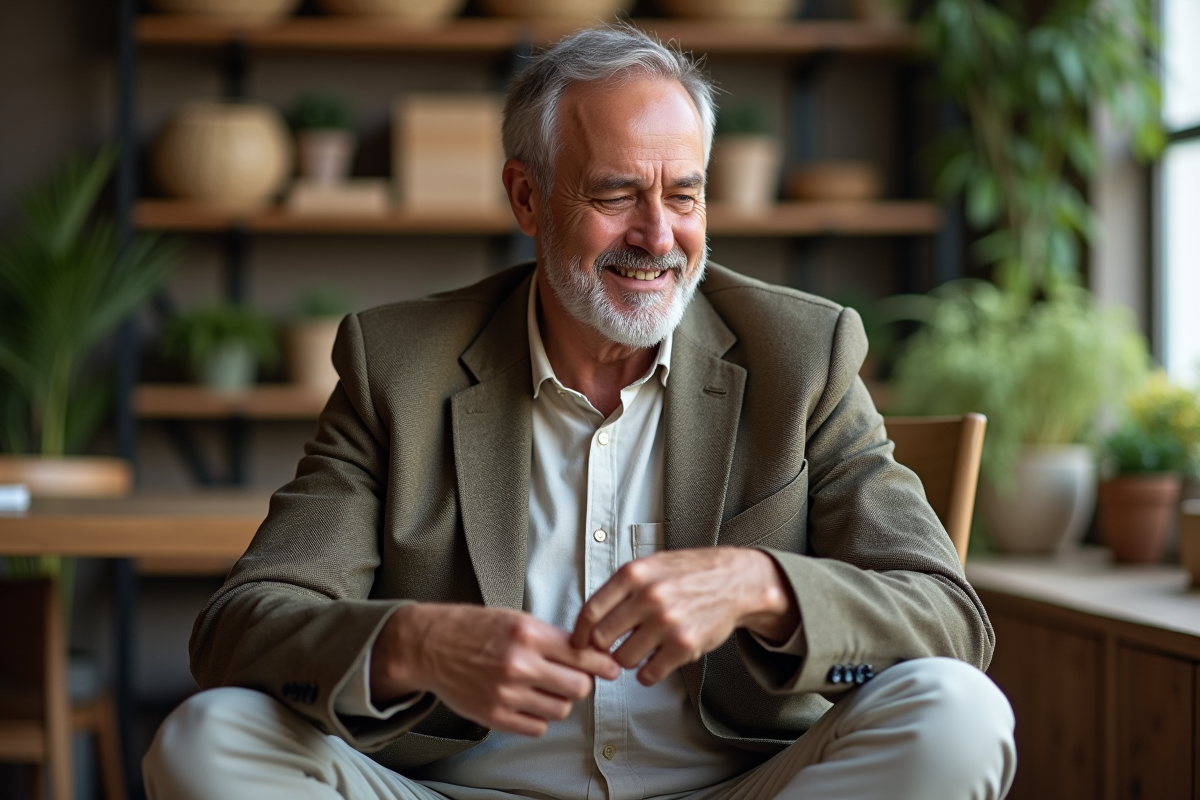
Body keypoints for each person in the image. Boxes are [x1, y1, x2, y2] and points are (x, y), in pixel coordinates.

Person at [144, 25, 1015, 800]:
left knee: (958, 714)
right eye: (614, 195)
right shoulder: (396, 367)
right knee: (206, 739)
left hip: (739, 786)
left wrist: (762, 587)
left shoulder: (803, 354)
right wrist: (415, 644)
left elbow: (946, 616)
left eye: (684, 194)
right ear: (527, 199)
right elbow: (242, 625)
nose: (658, 235)